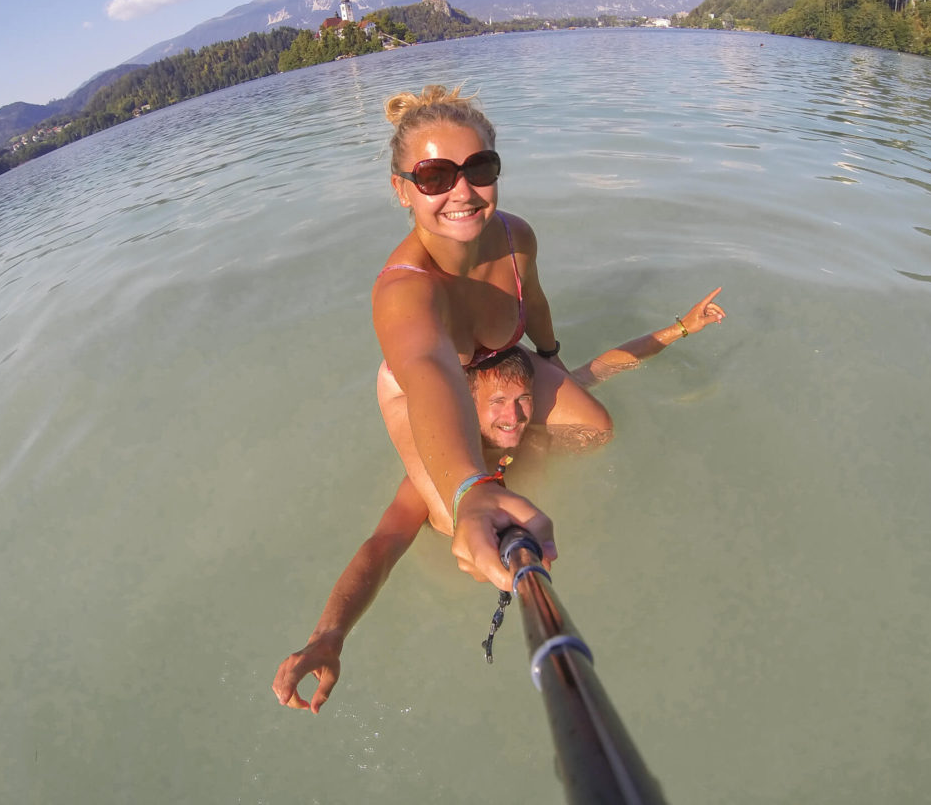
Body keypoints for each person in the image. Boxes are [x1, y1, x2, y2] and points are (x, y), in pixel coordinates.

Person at [273, 291, 724, 714]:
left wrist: (680, 328)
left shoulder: (538, 429)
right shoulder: (429, 479)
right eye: (499, 403)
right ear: (467, 406)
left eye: (524, 399)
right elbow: (383, 544)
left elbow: (602, 368)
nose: (515, 416)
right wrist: (330, 634)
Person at [372, 84, 615, 592]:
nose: (462, 191)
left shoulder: (514, 236)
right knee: (447, 517)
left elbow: (538, 301)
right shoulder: (403, 290)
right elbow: (429, 371)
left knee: (597, 429)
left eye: (478, 169)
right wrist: (470, 488)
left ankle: (509, 456)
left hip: (501, 358)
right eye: (435, 176)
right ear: (401, 190)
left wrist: (551, 360)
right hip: (424, 384)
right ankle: (476, 480)